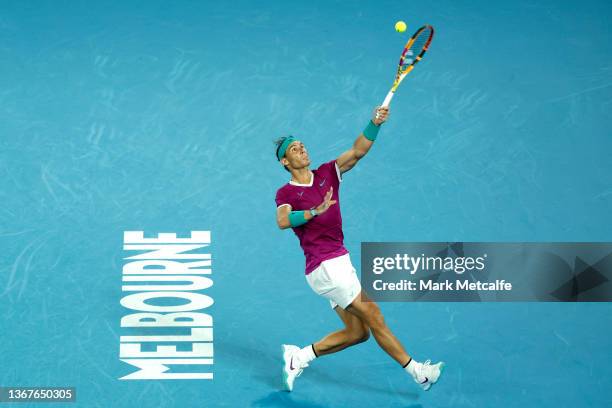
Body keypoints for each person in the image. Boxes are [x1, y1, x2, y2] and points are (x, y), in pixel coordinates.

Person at [274, 106, 445, 392]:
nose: (301, 149)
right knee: (374, 315)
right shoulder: (286, 192)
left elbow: (357, 151)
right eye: (294, 148)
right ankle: (419, 373)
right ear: (285, 162)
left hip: (338, 262)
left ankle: (298, 357)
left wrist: (374, 123)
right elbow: (282, 221)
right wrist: (313, 212)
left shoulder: (328, 172)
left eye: (302, 145)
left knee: (358, 332)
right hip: (325, 267)